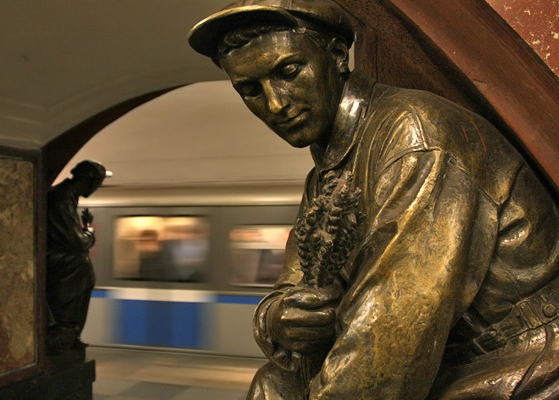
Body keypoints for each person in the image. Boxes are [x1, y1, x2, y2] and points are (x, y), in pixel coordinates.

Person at [188, 1, 559, 399]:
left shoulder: (414, 137)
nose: (275, 104)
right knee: (274, 385)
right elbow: (290, 284)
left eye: (289, 72)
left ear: (335, 55)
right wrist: (280, 319)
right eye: (250, 89)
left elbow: (393, 327)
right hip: (452, 363)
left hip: (519, 360)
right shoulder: (325, 176)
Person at [46, 160, 109, 354]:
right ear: (87, 180)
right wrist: (89, 232)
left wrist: (84, 232)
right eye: (96, 183)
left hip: (62, 257)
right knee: (82, 269)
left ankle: (71, 334)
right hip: (59, 260)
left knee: (85, 275)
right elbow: (76, 241)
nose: (96, 188)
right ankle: (64, 333)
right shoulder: (63, 197)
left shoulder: (69, 197)